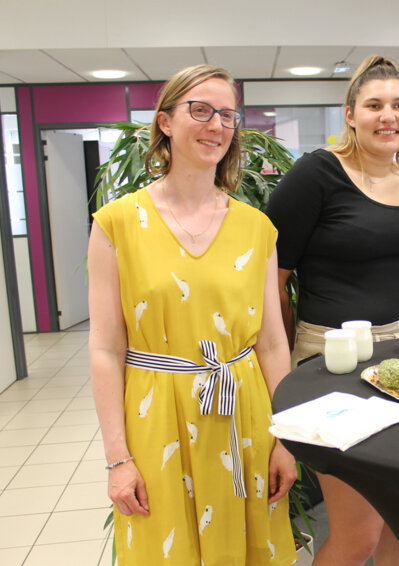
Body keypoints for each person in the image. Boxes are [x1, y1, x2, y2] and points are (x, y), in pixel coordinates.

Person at [88, 64, 297, 566]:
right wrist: (117, 459)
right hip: (156, 415)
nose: (216, 125)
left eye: (227, 115)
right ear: (165, 122)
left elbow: (271, 344)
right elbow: (106, 349)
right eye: (200, 110)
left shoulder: (256, 228)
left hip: (242, 414)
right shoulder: (117, 223)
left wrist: (286, 440)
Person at [265, 55, 399, 566]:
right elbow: (272, 281)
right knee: (357, 533)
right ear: (350, 114)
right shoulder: (317, 174)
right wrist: (286, 364)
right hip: (334, 364)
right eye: (374, 105)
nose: (388, 116)